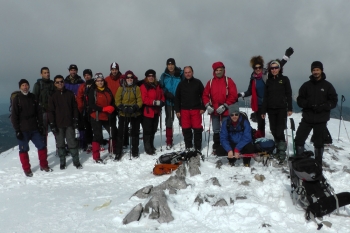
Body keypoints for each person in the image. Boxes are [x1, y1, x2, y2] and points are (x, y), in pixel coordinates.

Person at [238, 47, 294, 139]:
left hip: (272, 102)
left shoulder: (267, 73)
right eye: (255, 68)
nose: (258, 69)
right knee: (261, 125)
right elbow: (250, 91)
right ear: (253, 68)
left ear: (262, 66)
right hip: (260, 104)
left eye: (259, 67)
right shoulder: (253, 78)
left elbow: (278, 66)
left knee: (277, 127)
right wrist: (241, 94)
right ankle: (261, 142)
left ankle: (280, 142)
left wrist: (286, 56)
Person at [294, 61, 338, 166]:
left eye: (317, 70)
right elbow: (299, 100)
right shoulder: (306, 85)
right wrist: (308, 104)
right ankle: (300, 161)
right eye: (314, 70)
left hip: (321, 119)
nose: (315, 72)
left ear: (321, 70)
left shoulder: (328, 86)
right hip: (307, 118)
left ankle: (318, 163)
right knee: (299, 140)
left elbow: (334, 101)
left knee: (319, 144)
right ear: (311, 71)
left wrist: (323, 106)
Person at [11, 79, 52, 177]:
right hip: (23, 129)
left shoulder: (33, 97)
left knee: (42, 146)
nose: (25, 87)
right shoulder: (17, 99)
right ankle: (26, 169)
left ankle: (44, 165)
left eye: (26, 85)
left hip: (34, 128)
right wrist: (17, 130)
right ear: (20, 87)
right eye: (23, 85)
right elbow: (14, 116)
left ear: (29, 86)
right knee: (23, 150)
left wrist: (41, 126)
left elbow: (39, 113)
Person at [261, 59, 293, 164]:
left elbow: (289, 94)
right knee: (273, 129)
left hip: (281, 109)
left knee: (280, 130)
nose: (274, 70)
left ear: (279, 68)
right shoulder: (269, 81)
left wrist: (290, 108)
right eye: (272, 68)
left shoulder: (284, 79)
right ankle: (278, 150)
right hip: (271, 109)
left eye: (276, 68)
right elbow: (266, 97)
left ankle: (282, 153)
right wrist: (263, 111)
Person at [202, 61, 238, 154]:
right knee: (216, 129)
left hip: (226, 110)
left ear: (223, 70)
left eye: (220, 70)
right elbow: (205, 95)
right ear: (214, 71)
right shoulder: (210, 82)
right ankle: (217, 146)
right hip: (214, 110)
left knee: (226, 128)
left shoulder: (228, 81)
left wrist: (225, 105)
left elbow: (233, 95)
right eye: (216, 70)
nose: (218, 72)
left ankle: (228, 146)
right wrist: (207, 105)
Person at [48, 75, 82, 170]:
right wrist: (52, 124)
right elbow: (50, 111)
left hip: (69, 123)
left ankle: (76, 162)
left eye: (61, 81)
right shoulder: (53, 96)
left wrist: (75, 119)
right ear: (55, 84)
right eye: (57, 82)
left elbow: (75, 108)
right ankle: (62, 162)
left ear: (64, 82)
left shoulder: (70, 94)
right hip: (58, 124)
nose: (60, 83)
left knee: (72, 143)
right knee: (60, 144)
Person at [174, 66, 205, 154]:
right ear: (184, 73)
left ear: (192, 72)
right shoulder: (181, 84)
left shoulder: (198, 82)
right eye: (186, 72)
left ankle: (198, 147)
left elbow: (204, 96)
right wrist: (177, 110)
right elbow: (177, 98)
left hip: (196, 109)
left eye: (189, 72)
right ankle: (188, 146)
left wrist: (203, 107)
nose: (187, 74)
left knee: (197, 129)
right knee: (186, 129)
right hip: (184, 110)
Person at [88, 73, 117, 163]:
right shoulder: (93, 91)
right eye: (98, 81)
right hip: (96, 116)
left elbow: (112, 100)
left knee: (113, 132)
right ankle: (96, 157)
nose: (100, 82)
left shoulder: (107, 90)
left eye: (101, 80)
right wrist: (103, 108)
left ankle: (112, 150)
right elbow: (91, 105)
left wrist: (112, 107)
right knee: (98, 135)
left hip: (107, 115)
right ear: (95, 82)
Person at [114, 70, 143, 160]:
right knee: (121, 133)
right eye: (128, 78)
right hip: (123, 113)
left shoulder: (136, 88)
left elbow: (140, 100)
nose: (129, 79)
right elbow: (117, 100)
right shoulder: (121, 88)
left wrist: (135, 107)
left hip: (135, 113)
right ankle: (118, 152)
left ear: (133, 79)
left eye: (131, 78)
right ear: (125, 79)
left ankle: (135, 151)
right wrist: (122, 107)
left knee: (135, 133)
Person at [217, 103, 254, 167]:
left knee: (250, 147)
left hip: (243, 144)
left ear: (239, 114)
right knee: (220, 150)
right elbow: (223, 138)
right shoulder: (226, 123)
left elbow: (247, 137)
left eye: (236, 114)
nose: (234, 116)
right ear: (229, 115)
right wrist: (229, 149)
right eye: (232, 115)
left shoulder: (244, 122)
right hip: (232, 144)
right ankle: (231, 159)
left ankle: (246, 161)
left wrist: (237, 148)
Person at [159, 58, 184, 149]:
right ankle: (169, 141)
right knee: (169, 120)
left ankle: (185, 138)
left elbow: (185, 85)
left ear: (174, 65)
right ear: (167, 65)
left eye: (172, 64)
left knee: (182, 119)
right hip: (169, 101)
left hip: (179, 101)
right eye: (169, 65)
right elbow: (161, 87)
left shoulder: (180, 74)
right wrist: (166, 93)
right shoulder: (164, 75)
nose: (170, 66)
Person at [140, 69, 165, 155]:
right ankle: (147, 147)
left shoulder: (157, 85)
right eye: (149, 76)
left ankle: (151, 145)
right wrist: (155, 102)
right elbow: (144, 99)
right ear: (146, 77)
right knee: (147, 130)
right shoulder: (144, 86)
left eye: (152, 76)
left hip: (156, 111)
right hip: (147, 112)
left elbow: (162, 95)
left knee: (153, 129)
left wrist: (162, 101)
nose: (151, 77)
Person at [64, 64, 86, 150]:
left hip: (79, 106)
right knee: (70, 126)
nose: (73, 71)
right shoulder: (65, 82)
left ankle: (83, 143)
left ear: (77, 71)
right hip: (68, 107)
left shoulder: (81, 82)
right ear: (69, 71)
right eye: (71, 70)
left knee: (81, 125)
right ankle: (71, 144)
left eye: (74, 70)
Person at [32, 67, 54, 141]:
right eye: (45, 73)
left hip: (53, 111)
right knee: (43, 132)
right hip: (42, 112)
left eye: (48, 72)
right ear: (41, 74)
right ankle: (44, 150)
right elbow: (34, 99)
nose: (47, 74)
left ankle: (60, 149)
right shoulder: (38, 85)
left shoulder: (53, 84)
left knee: (56, 130)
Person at [105, 62, 123, 147]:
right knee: (112, 125)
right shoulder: (106, 80)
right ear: (110, 70)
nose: (114, 71)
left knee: (122, 124)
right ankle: (114, 141)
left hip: (120, 104)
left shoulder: (122, 78)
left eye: (116, 69)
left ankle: (124, 141)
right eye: (113, 69)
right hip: (111, 105)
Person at [76, 69, 94, 153]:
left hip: (94, 109)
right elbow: (79, 97)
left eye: (88, 75)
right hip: (85, 110)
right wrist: (80, 108)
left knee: (96, 127)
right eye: (85, 75)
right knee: (87, 127)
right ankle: (89, 143)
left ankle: (97, 142)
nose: (87, 76)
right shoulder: (82, 86)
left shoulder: (95, 84)